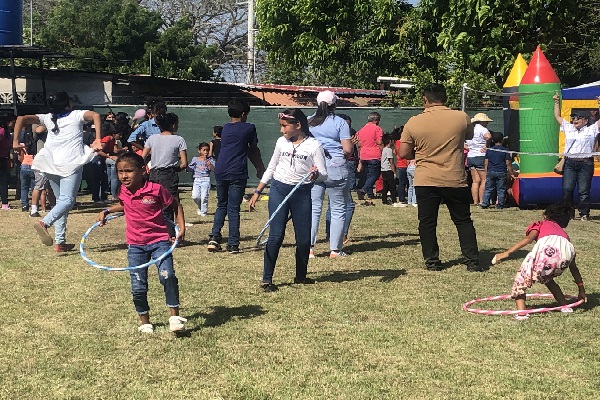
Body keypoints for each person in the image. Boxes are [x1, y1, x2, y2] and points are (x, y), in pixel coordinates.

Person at [96, 152, 186, 333]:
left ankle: (174, 317)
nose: (124, 176)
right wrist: (107, 210)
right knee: (138, 285)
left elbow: (174, 204)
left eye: (129, 171)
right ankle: (145, 321)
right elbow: (126, 205)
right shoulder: (123, 191)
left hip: (160, 241)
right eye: (120, 172)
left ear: (143, 170)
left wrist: (181, 227)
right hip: (135, 245)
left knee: (167, 276)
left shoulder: (155, 189)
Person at [398, 83, 484, 272]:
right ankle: (472, 261)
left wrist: (421, 154)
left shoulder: (413, 122)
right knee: (463, 220)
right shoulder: (461, 117)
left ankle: (432, 261)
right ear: (445, 98)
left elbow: (403, 153)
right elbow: (468, 136)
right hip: (454, 178)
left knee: (427, 223)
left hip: (426, 179)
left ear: (425, 99)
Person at [249, 109, 327, 292]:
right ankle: (267, 280)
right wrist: (258, 191)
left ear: (298, 125)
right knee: (275, 236)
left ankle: (301, 276)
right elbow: (271, 167)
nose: (282, 130)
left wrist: (315, 175)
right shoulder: (281, 143)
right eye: (281, 126)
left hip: (301, 193)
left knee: (303, 239)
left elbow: (324, 175)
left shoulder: (314, 145)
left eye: (285, 126)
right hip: (279, 189)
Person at [13, 92, 102, 252]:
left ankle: (60, 242)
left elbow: (21, 119)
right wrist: (97, 139)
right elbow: (96, 115)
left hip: (50, 164)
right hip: (71, 163)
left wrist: (15, 142)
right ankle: (44, 223)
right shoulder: (77, 115)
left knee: (61, 202)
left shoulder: (47, 117)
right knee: (67, 201)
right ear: (68, 103)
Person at [493, 202, 586, 320]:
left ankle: (522, 313)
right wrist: (581, 289)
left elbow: (528, 239)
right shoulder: (564, 235)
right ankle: (565, 306)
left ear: (546, 216)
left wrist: (506, 253)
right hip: (565, 256)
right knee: (548, 279)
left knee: (521, 281)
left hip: (548, 252)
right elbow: (574, 268)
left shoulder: (541, 224)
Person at [208, 98, 266, 254]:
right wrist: (260, 168)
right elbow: (253, 149)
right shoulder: (249, 128)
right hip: (237, 171)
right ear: (243, 114)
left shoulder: (225, 128)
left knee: (221, 204)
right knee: (233, 208)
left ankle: (214, 237)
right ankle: (233, 243)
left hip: (220, 169)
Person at [308, 90, 353, 259]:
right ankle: (335, 249)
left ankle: (309, 248)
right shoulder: (340, 122)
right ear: (335, 104)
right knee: (338, 207)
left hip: (314, 168)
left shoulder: (308, 122)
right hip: (336, 167)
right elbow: (347, 149)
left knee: (313, 208)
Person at [554, 93, 600, 221]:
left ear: (585, 121)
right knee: (567, 189)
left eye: (578, 118)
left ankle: (584, 214)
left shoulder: (591, 130)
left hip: (586, 163)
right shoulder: (568, 128)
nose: (574, 120)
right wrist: (556, 102)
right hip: (570, 163)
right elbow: (557, 116)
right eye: (573, 118)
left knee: (583, 191)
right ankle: (568, 213)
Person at [142, 113, 188, 236]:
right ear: (173, 125)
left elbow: (142, 157)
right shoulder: (179, 140)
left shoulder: (152, 138)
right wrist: (176, 169)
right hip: (169, 174)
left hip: (154, 174)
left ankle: (154, 233)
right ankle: (169, 235)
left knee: (153, 204)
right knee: (169, 204)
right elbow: (184, 163)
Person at [325, 113, 357, 245]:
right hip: (340, 166)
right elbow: (347, 151)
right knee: (347, 204)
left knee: (332, 203)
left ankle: (330, 233)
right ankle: (341, 235)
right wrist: (350, 145)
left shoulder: (324, 132)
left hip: (335, 166)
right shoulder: (335, 138)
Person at [480, 131, 515, 209]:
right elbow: (508, 163)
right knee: (501, 189)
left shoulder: (489, 150)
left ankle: (485, 203)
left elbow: (486, 162)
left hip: (491, 171)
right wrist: (511, 173)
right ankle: (500, 204)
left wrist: (486, 171)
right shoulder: (505, 150)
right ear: (502, 140)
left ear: (492, 140)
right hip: (501, 171)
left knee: (488, 188)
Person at [356, 112, 383, 206]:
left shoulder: (361, 130)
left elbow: (359, 144)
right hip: (374, 155)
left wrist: (360, 158)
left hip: (364, 155)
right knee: (375, 175)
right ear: (376, 120)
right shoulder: (377, 129)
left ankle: (370, 195)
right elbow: (379, 141)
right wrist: (383, 150)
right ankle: (363, 190)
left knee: (369, 176)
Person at [466, 113, 492, 206]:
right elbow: (488, 136)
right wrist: (486, 145)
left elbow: (463, 142)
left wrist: (469, 147)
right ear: (481, 121)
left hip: (470, 156)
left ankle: (475, 202)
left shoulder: (470, 129)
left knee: (475, 180)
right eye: (486, 122)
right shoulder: (483, 129)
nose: (487, 123)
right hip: (480, 155)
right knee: (484, 179)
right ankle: (482, 201)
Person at [188, 142, 214, 216]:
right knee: (195, 196)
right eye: (204, 150)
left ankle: (203, 212)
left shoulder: (210, 159)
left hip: (206, 179)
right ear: (199, 151)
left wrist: (209, 164)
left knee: (204, 196)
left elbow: (213, 169)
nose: (206, 152)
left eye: (207, 150)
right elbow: (190, 167)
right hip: (197, 179)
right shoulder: (195, 159)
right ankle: (200, 207)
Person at [0, 113, 16, 210]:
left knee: (3, 181)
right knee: (3, 181)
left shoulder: (7, 133)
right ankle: (4, 203)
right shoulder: (1, 132)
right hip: (0, 158)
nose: (14, 125)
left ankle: (5, 202)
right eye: (13, 123)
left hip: (4, 158)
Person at [392, 127, 409, 206]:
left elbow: (395, 152)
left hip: (400, 164)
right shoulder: (401, 142)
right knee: (404, 182)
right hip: (403, 164)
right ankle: (402, 198)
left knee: (403, 182)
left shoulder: (397, 142)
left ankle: (403, 197)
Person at [380, 134, 397, 205]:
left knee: (385, 186)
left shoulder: (384, 149)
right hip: (388, 170)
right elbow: (391, 162)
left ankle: (384, 199)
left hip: (383, 170)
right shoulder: (389, 150)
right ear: (390, 141)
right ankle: (393, 199)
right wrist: (394, 172)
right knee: (392, 186)